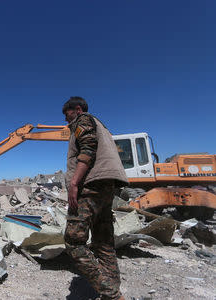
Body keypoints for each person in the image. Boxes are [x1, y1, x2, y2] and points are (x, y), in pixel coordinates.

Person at [62, 97, 128, 300]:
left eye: (68, 115)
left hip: (90, 186)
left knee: (74, 241)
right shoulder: (102, 126)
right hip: (107, 187)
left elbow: (88, 150)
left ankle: (111, 294)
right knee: (103, 242)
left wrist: (74, 183)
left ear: (78, 109)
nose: (67, 121)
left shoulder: (83, 120)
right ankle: (112, 289)